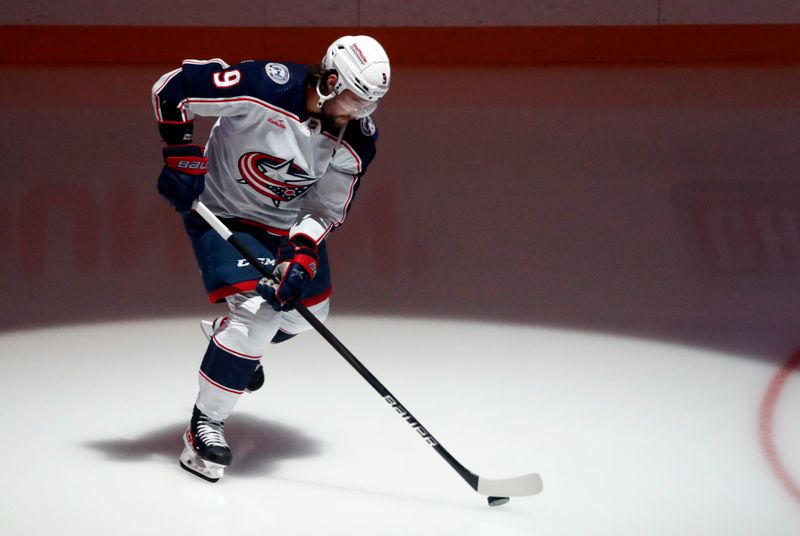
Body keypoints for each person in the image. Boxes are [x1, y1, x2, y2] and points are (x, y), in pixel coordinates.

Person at [151, 35, 391, 482]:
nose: (361, 114)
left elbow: (324, 209)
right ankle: (204, 425)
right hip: (224, 215)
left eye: (370, 105)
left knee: (309, 314)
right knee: (258, 319)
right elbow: (172, 88)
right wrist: (180, 150)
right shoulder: (264, 85)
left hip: (285, 226)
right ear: (331, 80)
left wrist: (301, 252)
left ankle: (237, 349)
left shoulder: (358, 138)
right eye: (356, 100)